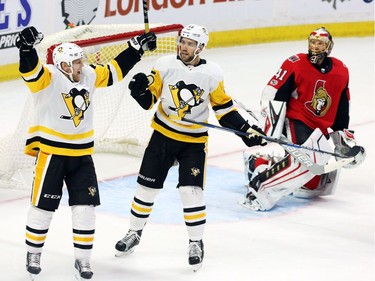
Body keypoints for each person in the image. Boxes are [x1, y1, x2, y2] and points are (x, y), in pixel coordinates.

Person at [114, 24, 265, 271]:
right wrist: (139, 91)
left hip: (193, 142)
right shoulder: (165, 65)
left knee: (190, 191)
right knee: (146, 189)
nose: (184, 47)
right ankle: (134, 233)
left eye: (190, 43)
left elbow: (224, 109)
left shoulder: (212, 73)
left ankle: (196, 242)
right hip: (163, 136)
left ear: (201, 47)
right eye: (182, 41)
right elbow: (149, 100)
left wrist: (246, 130)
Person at [16, 26, 157, 280]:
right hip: (52, 154)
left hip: (82, 156)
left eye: (81, 59)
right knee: (43, 207)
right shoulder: (49, 77)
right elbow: (30, 72)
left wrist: (135, 50)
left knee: (85, 208)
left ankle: (83, 259)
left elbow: (113, 72)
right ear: (64, 66)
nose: (82, 64)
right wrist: (26, 50)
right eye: (76, 61)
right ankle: (33, 252)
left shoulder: (89, 75)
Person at [241, 27, 365, 211]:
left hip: (319, 128)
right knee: (305, 165)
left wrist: (343, 140)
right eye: (312, 42)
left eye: (320, 43)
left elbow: (341, 105)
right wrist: (271, 127)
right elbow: (273, 91)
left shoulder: (341, 70)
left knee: (313, 185)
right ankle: (260, 189)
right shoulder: (295, 63)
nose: (315, 47)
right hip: (296, 120)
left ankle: (258, 162)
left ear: (329, 47)